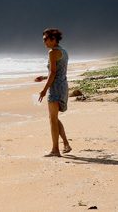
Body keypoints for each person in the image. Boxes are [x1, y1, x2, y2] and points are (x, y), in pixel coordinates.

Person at [35, 28, 72, 157]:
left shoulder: (52, 52)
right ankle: (66, 144)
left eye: (46, 39)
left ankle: (55, 150)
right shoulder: (64, 51)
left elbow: (53, 72)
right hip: (63, 86)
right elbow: (58, 72)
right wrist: (44, 77)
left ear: (53, 39)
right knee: (54, 118)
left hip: (55, 87)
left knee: (52, 119)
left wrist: (44, 90)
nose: (44, 42)